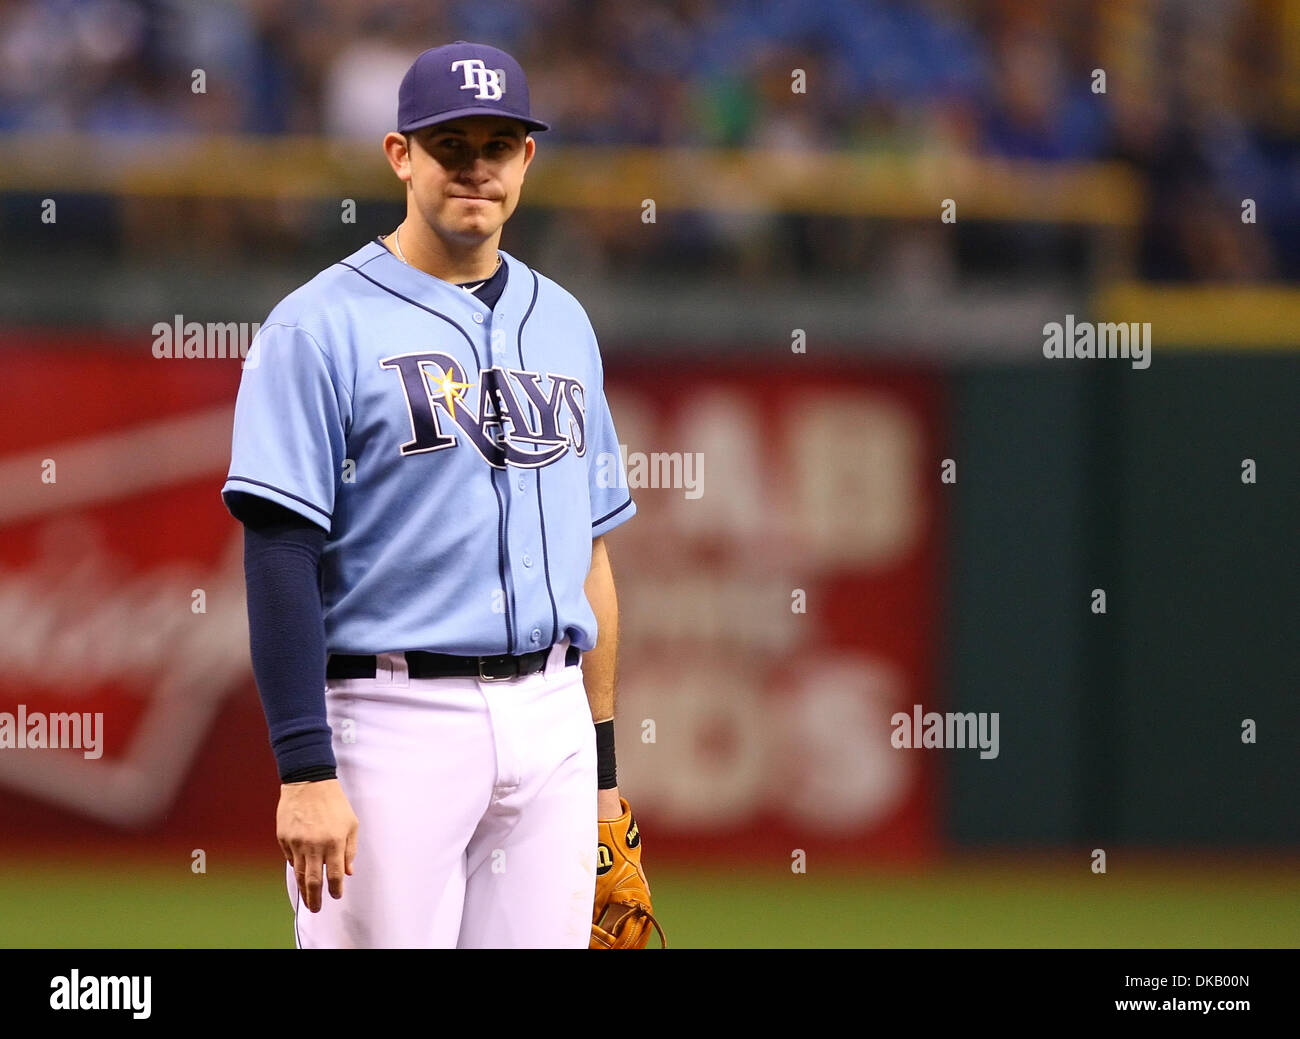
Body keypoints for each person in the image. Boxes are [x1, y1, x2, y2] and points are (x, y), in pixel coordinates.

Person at [222, 41, 655, 948]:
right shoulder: (316, 324)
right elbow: (278, 552)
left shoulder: (565, 320)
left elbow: (594, 557)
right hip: (389, 722)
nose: (475, 166)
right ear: (400, 154)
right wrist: (305, 769)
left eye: (498, 144)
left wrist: (604, 767)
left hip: (552, 720)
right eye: (450, 142)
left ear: (526, 160)